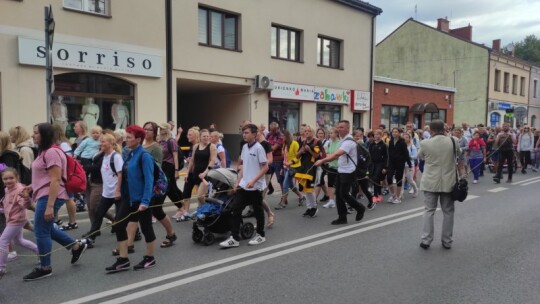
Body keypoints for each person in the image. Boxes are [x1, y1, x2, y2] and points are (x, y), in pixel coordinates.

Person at [23, 123, 88, 281]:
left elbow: (56, 179)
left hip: (51, 196)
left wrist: (50, 206)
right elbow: (45, 177)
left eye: (36, 133)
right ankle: (75, 246)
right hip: (46, 194)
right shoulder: (44, 151)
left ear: (44, 135)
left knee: (40, 231)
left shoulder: (51, 152)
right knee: (45, 229)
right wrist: (31, 187)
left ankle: (45, 267)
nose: (33, 135)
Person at [106, 125, 158, 273]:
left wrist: (145, 201)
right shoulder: (129, 154)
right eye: (126, 137)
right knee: (118, 225)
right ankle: (123, 259)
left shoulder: (144, 156)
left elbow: (149, 180)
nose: (126, 140)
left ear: (138, 139)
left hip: (141, 199)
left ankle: (150, 258)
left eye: (129, 137)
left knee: (146, 228)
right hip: (128, 198)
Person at [220, 124, 269, 248]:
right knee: (235, 210)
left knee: (258, 211)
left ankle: (260, 235)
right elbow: (243, 166)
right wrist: (238, 181)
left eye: (247, 132)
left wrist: (254, 180)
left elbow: (265, 167)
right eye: (243, 132)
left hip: (255, 186)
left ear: (254, 134)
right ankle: (235, 238)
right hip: (243, 185)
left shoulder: (259, 148)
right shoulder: (244, 147)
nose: (244, 135)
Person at [418, 120, 460, 250]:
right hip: (448, 181)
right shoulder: (453, 140)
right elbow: (458, 154)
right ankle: (447, 241)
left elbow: (420, 156)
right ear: (444, 128)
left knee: (429, 210)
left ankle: (426, 240)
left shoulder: (425, 143)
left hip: (431, 181)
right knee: (448, 211)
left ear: (431, 130)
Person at [314, 120, 367, 225]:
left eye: (341, 127)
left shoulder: (348, 141)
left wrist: (322, 161)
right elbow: (334, 154)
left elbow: (336, 154)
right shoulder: (343, 140)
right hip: (341, 170)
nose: (339, 129)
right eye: (338, 127)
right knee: (338, 194)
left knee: (344, 194)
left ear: (348, 128)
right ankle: (342, 217)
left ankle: (360, 208)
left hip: (349, 172)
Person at [0, 168, 39, 280]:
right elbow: (9, 206)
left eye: (11, 178)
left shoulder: (20, 189)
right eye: (5, 179)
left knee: (3, 241)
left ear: (17, 178)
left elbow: (23, 204)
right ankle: (40, 252)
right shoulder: (7, 189)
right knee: (18, 240)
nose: (8, 181)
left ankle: (1, 268)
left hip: (16, 220)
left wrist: (26, 197)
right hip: (12, 218)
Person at [82, 133, 122, 241]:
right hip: (106, 192)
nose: (101, 143)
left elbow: (120, 174)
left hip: (117, 193)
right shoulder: (103, 156)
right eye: (101, 141)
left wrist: (118, 191)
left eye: (103, 141)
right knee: (99, 214)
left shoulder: (116, 157)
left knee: (121, 216)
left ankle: (135, 233)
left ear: (111, 143)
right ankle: (92, 237)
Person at [295, 125, 323, 217]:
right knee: (305, 189)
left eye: (309, 131)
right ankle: (309, 207)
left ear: (312, 132)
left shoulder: (317, 142)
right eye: (305, 131)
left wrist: (309, 150)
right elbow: (297, 155)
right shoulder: (303, 142)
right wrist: (301, 151)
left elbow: (316, 156)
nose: (306, 132)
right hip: (303, 168)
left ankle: (314, 207)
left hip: (312, 168)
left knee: (310, 189)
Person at [158, 122, 183, 217]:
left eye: (161, 129)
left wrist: (176, 171)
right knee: (171, 188)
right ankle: (182, 206)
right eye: (159, 129)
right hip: (162, 166)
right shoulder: (161, 141)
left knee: (167, 188)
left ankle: (158, 208)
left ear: (166, 130)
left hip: (170, 166)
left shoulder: (171, 141)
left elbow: (175, 156)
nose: (160, 131)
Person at [276, 129, 305, 209]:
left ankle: (283, 203)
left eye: (283, 136)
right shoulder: (284, 144)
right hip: (286, 167)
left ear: (287, 136)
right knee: (291, 185)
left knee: (285, 185)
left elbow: (298, 156)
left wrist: (291, 163)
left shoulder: (294, 143)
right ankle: (301, 196)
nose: (281, 137)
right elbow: (284, 157)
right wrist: (283, 167)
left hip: (293, 167)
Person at [386, 128, 412, 204]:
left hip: (400, 163)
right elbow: (389, 153)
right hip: (391, 162)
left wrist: (409, 164)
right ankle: (393, 195)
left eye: (396, 132)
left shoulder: (402, 142)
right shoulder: (390, 142)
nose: (394, 133)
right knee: (389, 178)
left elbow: (406, 154)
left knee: (398, 179)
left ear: (399, 133)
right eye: (393, 132)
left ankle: (398, 197)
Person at [321, 128, 340, 208]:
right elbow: (327, 152)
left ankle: (345, 199)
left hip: (339, 167)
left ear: (336, 134)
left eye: (331, 133)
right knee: (330, 184)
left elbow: (337, 155)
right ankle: (331, 201)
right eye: (329, 133)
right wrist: (326, 158)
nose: (330, 134)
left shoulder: (340, 143)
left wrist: (329, 157)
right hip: (331, 166)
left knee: (339, 185)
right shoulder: (329, 143)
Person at [368, 129, 388, 203]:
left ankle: (377, 195)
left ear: (381, 135)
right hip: (372, 164)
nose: (376, 136)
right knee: (374, 179)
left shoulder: (383, 145)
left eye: (378, 134)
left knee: (376, 178)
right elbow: (369, 155)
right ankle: (377, 193)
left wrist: (385, 167)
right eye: (375, 134)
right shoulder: (371, 144)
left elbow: (386, 157)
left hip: (380, 164)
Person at [266, 122, 285, 196]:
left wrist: (269, 146)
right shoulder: (269, 134)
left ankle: (284, 197)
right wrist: (270, 146)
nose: (272, 132)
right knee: (266, 179)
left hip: (278, 161)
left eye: (274, 130)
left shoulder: (281, 136)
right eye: (271, 130)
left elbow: (273, 148)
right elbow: (265, 144)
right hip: (270, 160)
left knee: (280, 180)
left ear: (278, 129)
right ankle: (269, 190)